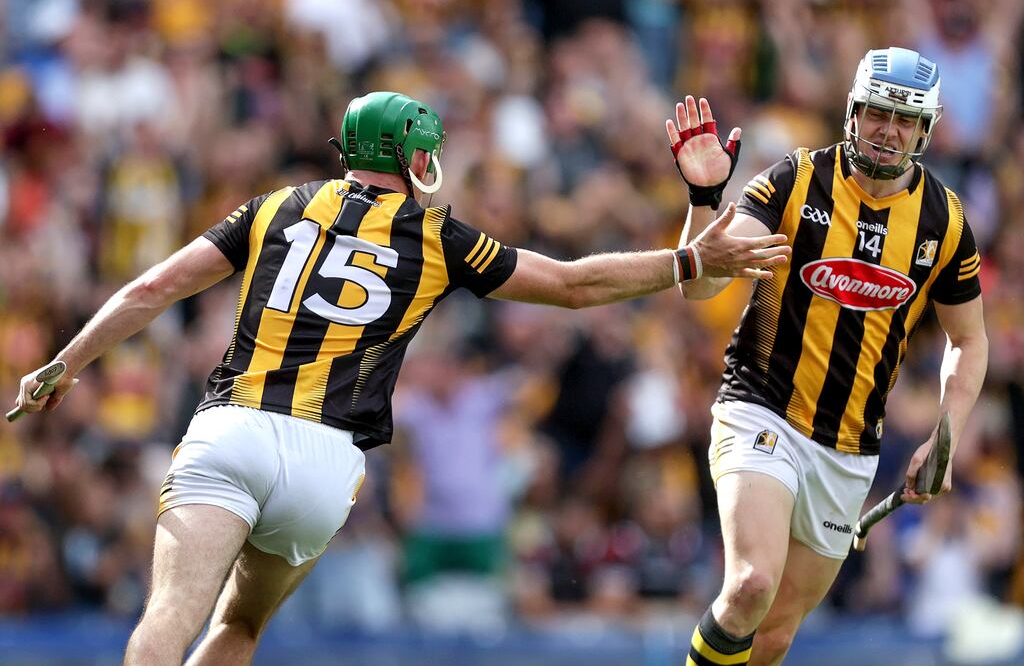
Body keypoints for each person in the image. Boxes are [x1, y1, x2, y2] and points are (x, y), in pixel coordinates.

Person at [12, 90, 789, 665]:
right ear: (415, 156)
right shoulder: (437, 235)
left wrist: (62, 364)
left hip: (232, 429)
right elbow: (574, 283)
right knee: (238, 625)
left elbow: (149, 290)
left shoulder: (275, 206)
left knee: (168, 613)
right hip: (326, 466)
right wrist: (688, 259)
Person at [669, 48, 988, 666]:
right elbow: (700, 283)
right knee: (750, 587)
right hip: (762, 411)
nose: (888, 131)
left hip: (849, 447)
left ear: (926, 129)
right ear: (852, 111)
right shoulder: (795, 179)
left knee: (775, 635)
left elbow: (969, 339)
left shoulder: (944, 221)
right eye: (876, 113)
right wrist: (704, 199)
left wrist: (947, 434)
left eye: (905, 119)